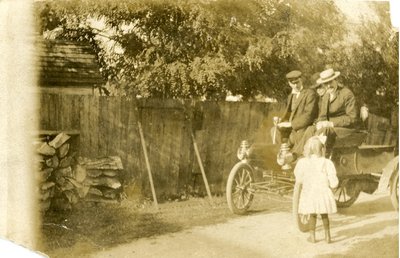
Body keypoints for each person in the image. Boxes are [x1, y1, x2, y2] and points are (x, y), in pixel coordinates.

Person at [292, 68, 358, 156]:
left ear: (336, 80)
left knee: (324, 129)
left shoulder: (346, 94)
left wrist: (330, 123)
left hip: (347, 129)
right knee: (310, 129)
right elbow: (322, 116)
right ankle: (297, 154)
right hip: (330, 128)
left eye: (330, 82)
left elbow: (352, 118)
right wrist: (319, 123)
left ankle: (317, 156)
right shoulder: (326, 96)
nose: (328, 86)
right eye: (325, 83)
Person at [294, 136, 339, 243]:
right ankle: (328, 236)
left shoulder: (303, 162)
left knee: (312, 214)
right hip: (323, 191)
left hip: (310, 193)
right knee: (324, 214)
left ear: (308, 149)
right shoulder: (327, 163)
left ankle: (312, 237)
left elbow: (299, 179)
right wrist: (333, 185)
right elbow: (333, 179)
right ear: (322, 149)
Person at [281, 70, 319, 157]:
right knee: (274, 131)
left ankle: (295, 158)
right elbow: (289, 113)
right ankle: (280, 157)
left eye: (297, 82)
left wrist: (291, 124)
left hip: (303, 127)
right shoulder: (290, 96)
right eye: (293, 83)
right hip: (291, 128)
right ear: (289, 83)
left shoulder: (309, 93)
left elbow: (309, 115)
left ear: (301, 80)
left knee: (298, 135)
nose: (295, 85)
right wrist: (281, 121)